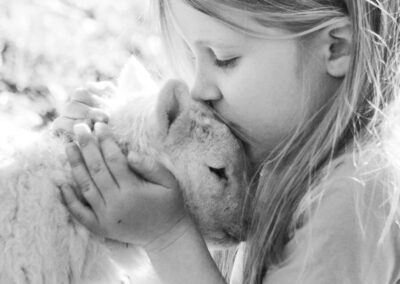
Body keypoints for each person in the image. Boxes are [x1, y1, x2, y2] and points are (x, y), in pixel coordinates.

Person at [53, 0, 400, 283]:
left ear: (336, 47)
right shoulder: (280, 153)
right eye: (194, 57)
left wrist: (168, 238)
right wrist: (111, 134)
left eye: (223, 59)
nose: (200, 89)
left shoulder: (353, 198)